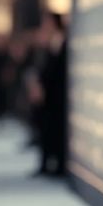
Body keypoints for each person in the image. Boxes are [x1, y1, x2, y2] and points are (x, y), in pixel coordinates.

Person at [34, 12, 67, 176]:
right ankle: (46, 164)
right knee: (45, 129)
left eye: (46, 23)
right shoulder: (47, 44)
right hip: (47, 95)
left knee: (56, 130)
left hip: (58, 96)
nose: (44, 26)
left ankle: (58, 165)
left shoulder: (63, 42)